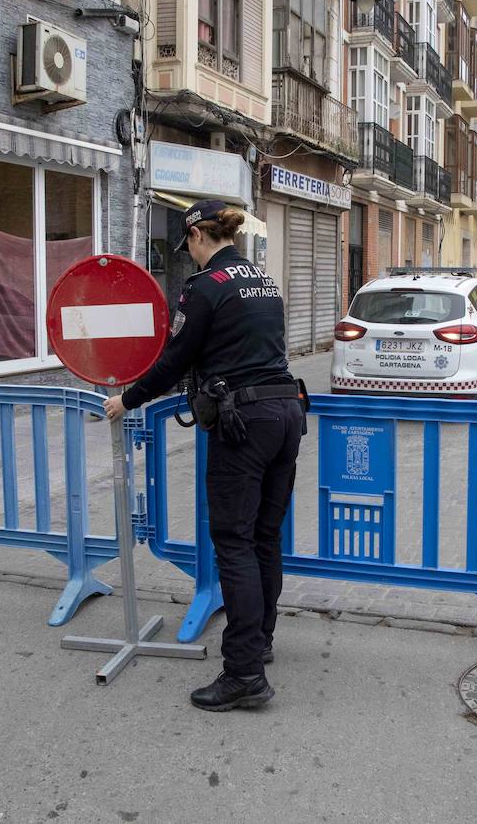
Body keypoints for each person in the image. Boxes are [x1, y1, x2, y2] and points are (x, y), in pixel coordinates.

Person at [105, 199, 303, 713]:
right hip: (285, 414)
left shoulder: (205, 288)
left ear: (197, 238)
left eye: (188, 246)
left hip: (244, 425)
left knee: (233, 543)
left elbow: (174, 360)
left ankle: (243, 675)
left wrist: (125, 399)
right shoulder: (265, 280)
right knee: (263, 537)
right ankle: (258, 641)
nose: (189, 256)